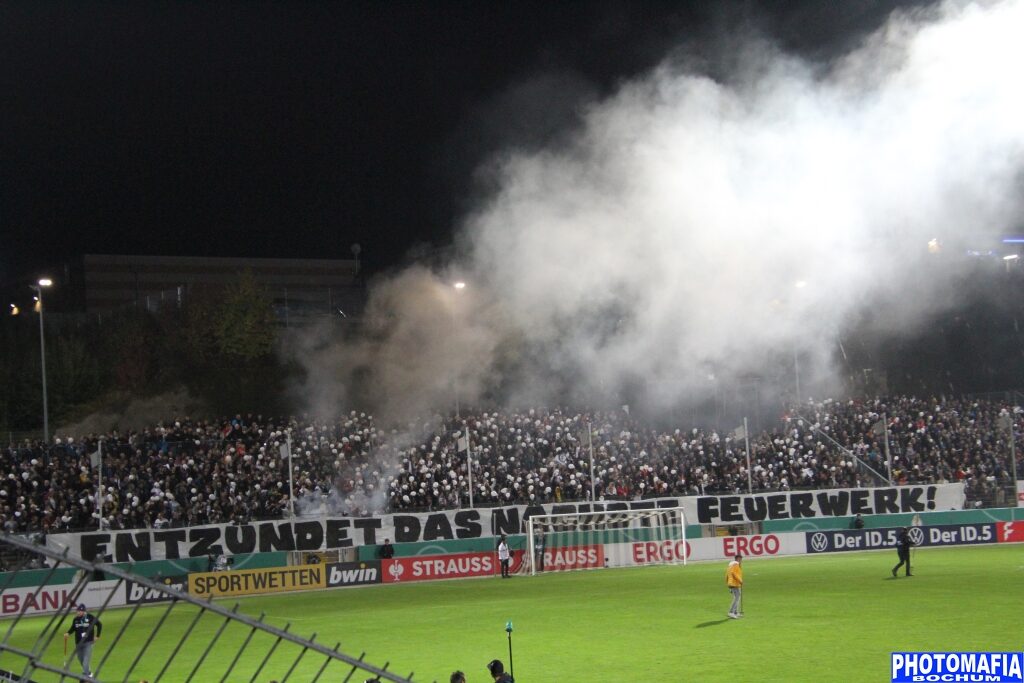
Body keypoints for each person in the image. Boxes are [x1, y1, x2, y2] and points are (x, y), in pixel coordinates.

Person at [64, 603, 102, 678]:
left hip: (88, 643)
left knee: (85, 662)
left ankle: (86, 677)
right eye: (77, 611)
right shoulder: (75, 619)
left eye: (79, 611)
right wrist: (68, 633)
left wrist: (97, 636)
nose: (77, 612)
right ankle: (89, 673)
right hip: (78, 644)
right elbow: (73, 628)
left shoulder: (90, 617)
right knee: (81, 660)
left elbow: (99, 624)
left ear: (84, 611)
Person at [726, 554, 743, 619]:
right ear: (738, 559)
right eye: (740, 559)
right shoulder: (735, 564)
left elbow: (727, 574)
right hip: (734, 583)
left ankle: (735, 612)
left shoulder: (731, 565)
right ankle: (731, 612)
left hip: (732, 583)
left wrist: (727, 582)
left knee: (737, 596)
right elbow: (734, 573)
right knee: (737, 597)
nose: (741, 561)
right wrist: (740, 580)